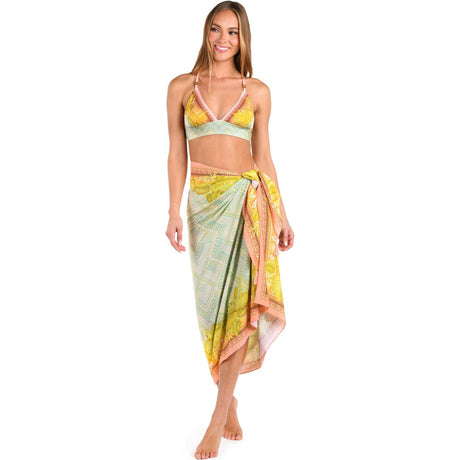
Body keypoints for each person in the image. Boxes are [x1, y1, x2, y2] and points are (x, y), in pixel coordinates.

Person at [165, 2, 294, 458]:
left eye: (233, 32)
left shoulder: (256, 90)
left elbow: (264, 156)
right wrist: (173, 210)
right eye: (216, 30)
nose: (223, 39)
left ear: (243, 39)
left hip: (247, 205)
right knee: (211, 314)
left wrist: (283, 214)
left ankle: (218, 417)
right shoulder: (182, 87)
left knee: (240, 310)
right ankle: (231, 396)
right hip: (203, 207)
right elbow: (176, 151)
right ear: (206, 33)